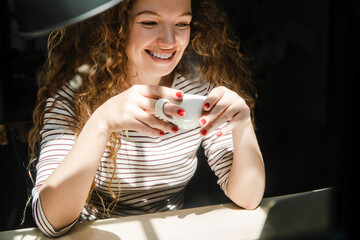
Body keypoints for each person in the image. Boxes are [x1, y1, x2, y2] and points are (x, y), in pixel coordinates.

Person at [28, 0, 265, 237]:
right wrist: (102, 122)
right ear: (114, 26)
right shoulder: (76, 96)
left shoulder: (196, 92)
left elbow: (248, 197)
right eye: (150, 22)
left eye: (182, 23)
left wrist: (242, 125)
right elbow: (50, 220)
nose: (170, 41)